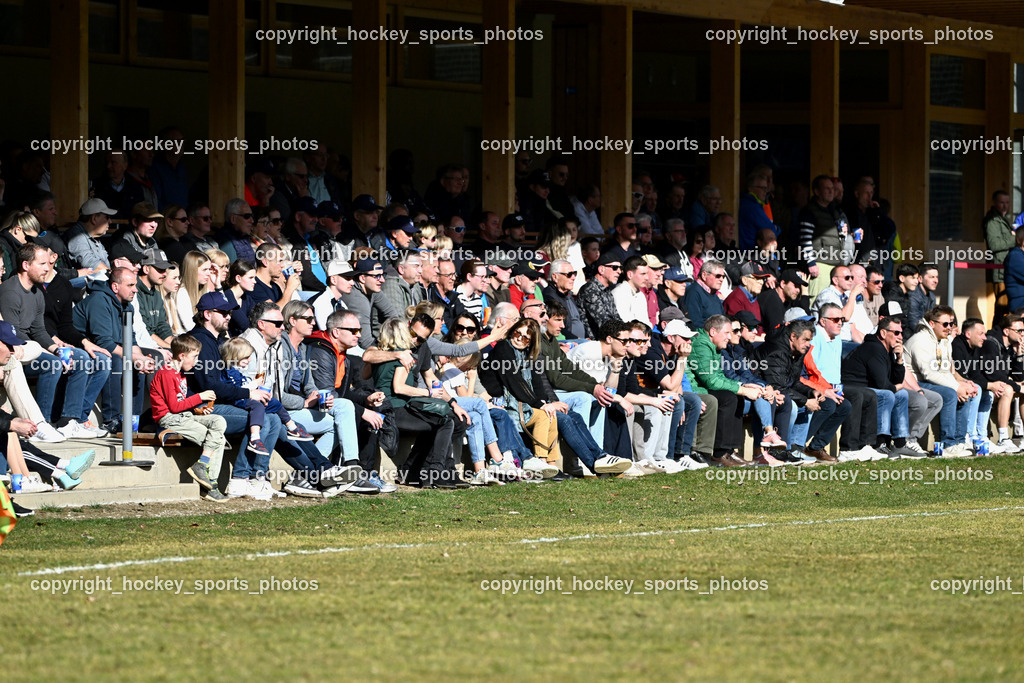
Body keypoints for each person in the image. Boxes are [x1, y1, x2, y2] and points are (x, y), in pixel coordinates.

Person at [482, 318, 630, 477]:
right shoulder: (504, 348)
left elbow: (538, 384)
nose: (519, 339)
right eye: (517, 333)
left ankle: (600, 457)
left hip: (527, 401)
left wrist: (549, 402)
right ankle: (590, 464)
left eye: (525, 338)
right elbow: (515, 383)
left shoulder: (530, 353)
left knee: (574, 416)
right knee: (562, 418)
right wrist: (542, 404)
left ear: (531, 342)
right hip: (512, 403)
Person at [0, 243, 108, 436]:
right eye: (41, 264)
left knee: (80, 358)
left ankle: (69, 421)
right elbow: (13, 333)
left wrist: (56, 349)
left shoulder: (36, 292)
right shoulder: (10, 291)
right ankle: (43, 423)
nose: (47, 267)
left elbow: (39, 329)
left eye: (47, 263)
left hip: (31, 346)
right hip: (17, 350)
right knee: (52, 364)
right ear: (26, 265)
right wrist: (50, 353)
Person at [753, 315, 851, 463]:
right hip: (764, 391)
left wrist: (812, 392)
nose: (808, 344)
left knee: (829, 404)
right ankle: (784, 449)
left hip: (778, 389)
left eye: (810, 340)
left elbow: (793, 381)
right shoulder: (777, 351)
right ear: (793, 336)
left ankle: (797, 447)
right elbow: (779, 385)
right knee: (793, 405)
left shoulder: (797, 351)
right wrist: (806, 401)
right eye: (805, 340)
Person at [73, 267, 158, 433]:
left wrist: (141, 359)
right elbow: (104, 343)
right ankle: (110, 419)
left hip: (104, 347)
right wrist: (134, 358)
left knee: (138, 365)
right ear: (115, 287)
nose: (135, 289)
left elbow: (131, 339)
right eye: (130, 285)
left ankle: (133, 420)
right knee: (116, 361)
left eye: (135, 285)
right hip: (81, 346)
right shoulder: (99, 301)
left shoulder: (127, 306)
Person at [149, 334, 228, 500]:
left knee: (218, 421)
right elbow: (174, 407)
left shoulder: (180, 374)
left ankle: (202, 465)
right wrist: (200, 397)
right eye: (194, 357)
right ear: (182, 356)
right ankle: (210, 486)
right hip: (169, 418)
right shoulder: (167, 374)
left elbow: (181, 403)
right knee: (217, 440)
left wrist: (197, 410)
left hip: (183, 416)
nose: (196, 361)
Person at [904, 305, 979, 456]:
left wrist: (961, 384)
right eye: (945, 324)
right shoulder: (920, 340)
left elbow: (946, 371)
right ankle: (947, 444)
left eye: (951, 324)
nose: (949, 328)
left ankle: (959, 441)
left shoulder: (943, 341)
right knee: (950, 394)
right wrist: (956, 387)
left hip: (929, 381)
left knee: (965, 391)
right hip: (913, 382)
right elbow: (928, 374)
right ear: (932, 323)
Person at [176, 251, 214, 332]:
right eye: (204, 270)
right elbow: (190, 326)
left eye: (209, 269)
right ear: (192, 270)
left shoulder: (204, 289)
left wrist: (218, 286)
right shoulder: (182, 293)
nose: (208, 273)